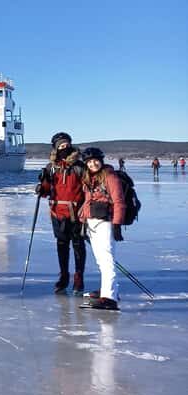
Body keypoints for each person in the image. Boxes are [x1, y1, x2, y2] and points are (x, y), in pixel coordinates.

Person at [36, 132, 87, 294]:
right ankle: (64, 275)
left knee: (78, 245)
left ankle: (79, 277)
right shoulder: (52, 168)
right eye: (61, 146)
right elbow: (45, 191)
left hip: (76, 213)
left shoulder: (79, 167)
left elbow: (88, 190)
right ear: (56, 149)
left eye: (67, 145)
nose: (64, 148)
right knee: (62, 245)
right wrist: (41, 186)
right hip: (57, 213)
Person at [78, 147, 124, 311]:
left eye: (95, 160)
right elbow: (87, 201)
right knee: (100, 260)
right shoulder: (89, 178)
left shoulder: (110, 177)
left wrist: (117, 224)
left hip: (105, 223)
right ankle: (109, 290)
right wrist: (83, 220)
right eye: (89, 162)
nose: (92, 163)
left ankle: (110, 297)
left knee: (107, 260)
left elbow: (119, 201)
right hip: (92, 223)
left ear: (101, 160)